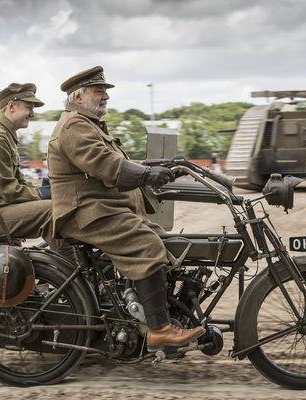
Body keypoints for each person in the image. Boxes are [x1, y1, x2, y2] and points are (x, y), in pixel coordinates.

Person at [47, 66, 205, 351]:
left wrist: (162, 166)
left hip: (105, 211)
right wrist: (146, 176)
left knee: (168, 243)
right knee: (146, 246)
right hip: (86, 214)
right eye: (99, 91)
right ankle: (159, 330)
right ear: (78, 98)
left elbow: (120, 161)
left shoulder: (89, 125)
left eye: (105, 91)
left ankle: (155, 311)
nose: (106, 96)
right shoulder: (73, 127)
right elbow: (106, 164)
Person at [0, 82, 72, 259]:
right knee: (52, 212)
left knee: (60, 206)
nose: (32, 113)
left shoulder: (6, 135)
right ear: (11, 106)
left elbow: (17, 184)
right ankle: (75, 275)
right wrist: (44, 194)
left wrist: (50, 191)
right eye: (28, 107)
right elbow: (10, 191)